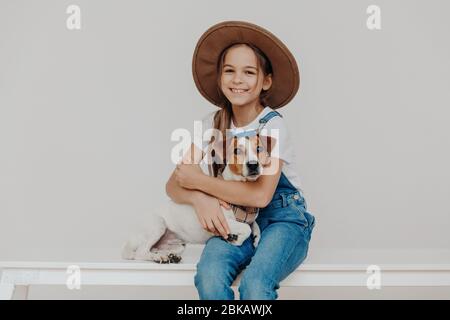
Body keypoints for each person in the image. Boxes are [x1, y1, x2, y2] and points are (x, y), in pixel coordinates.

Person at [165, 21, 316, 300]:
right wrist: (200, 199)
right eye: (230, 71)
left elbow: (260, 196)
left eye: (249, 72)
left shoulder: (272, 126)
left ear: (266, 81)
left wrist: (199, 182)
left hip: (281, 219)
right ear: (220, 78)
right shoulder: (211, 124)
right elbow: (174, 186)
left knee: (255, 286)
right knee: (209, 278)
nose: (238, 80)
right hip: (235, 222)